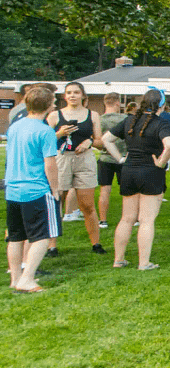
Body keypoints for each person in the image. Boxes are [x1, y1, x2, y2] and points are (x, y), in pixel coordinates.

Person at [101, 89, 170, 270]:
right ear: (162, 105)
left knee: (126, 218)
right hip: (150, 171)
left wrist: (120, 158)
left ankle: (118, 260)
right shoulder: (162, 123)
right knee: (147, 220)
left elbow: (106, 139)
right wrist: (161, 163)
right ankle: (144, 263)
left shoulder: (129, 120)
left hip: (128, 171)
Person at [5, 86, 62, 292]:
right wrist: (55, 190)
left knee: (16, 236)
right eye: (53, 101)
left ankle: (16, 279)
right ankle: (27, 279)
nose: (55, 104)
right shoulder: (45, 131)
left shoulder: (15, 127)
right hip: (36, 189)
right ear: (47, 105)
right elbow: (50, 164)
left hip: (13, 189)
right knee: (42, 236)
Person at [46, 81, 106, 255]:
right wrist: (59, 134)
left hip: (84, 159)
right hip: (61, 158)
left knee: (87, 205)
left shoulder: (92, 115)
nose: (72, 95)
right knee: (57, 202)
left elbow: (101, 142)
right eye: (69, 92)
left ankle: (96, 243)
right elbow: (45, 141)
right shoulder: (55, 116)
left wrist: (90, 142)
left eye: (76, 92)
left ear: (83, 95)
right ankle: (52, 246)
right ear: (64, 96)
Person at [97, 93, 127, 229]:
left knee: (105, 190)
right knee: (127, 191)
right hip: (123, 158)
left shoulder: (99, 120)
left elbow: (97, 140)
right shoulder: (125, 119)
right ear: (118, 103)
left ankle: (103, 220)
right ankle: (130, 218)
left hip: (105, 158)